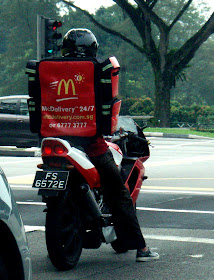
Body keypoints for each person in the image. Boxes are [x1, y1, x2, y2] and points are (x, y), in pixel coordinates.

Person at [60, 28, 159, 262]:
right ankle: (141, 249)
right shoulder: (96, 70)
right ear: (92, 48)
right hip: (91, 146)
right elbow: (108, 106)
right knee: (119, 193)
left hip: (57, 142)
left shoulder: (50, 69)